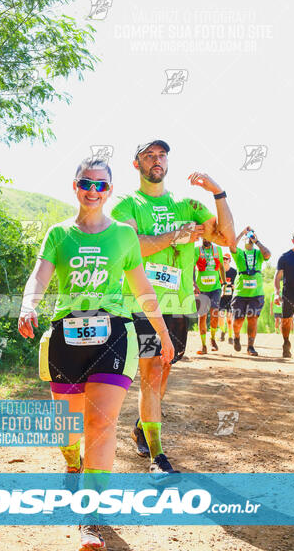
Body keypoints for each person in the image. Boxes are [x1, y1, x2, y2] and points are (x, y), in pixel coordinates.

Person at [18, 157, 174, 551]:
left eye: (101, 185)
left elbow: (142, 288)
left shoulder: (123, 234)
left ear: (109, 190)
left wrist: (163, 333)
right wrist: (28, 304)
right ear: (75, 186)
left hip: (114, 334)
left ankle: (91, 516)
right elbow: (40, 274)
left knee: (100, 426)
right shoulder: (58, 233)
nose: (93, 190)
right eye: (86, 183)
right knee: (68, 431)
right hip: (66, 335)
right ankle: (73, 462)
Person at [111, 139, 235, 472]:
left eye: (161, 155)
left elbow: (227, 238)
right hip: (141, 303)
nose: (156, 160)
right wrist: (176, 236)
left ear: (168, 162)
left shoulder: (187, 204)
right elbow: (132, 246)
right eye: (148, 155)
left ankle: (141, 425)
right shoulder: (127, 204)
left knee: (164, 370)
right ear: (136, 164)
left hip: (179, 304)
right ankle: (157, 455)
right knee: (151, 372)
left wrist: (218, 192)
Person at [229, 226, 271, 356]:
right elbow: (231, 247)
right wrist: (242, 233)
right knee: (238, 320)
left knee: (252, 318)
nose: (249, 239)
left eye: (251, 237)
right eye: (248, 237)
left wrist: (257, 241)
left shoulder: (258, 253)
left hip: (256, 293)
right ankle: (236, 337)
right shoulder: (240, 253)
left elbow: (268, 254)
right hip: (240, 293)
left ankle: (250, 347)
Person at [193, 239, 226, 354]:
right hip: (201, 289)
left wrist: (224, 283)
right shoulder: (196, 250)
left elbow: (221, 267)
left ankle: (212, 339)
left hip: (215, 288)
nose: (206, 239)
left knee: (214, 314)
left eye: (208, 237)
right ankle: (203, 345)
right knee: (202, 316)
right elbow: (192, 267)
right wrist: (194, 283)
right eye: (204, 237)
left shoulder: (218, 250)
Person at [274, 231, 294, 358]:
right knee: (286, 321)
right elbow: (277, 277)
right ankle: (286, 342)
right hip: (289, 294)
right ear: (293, 241)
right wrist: (277, 293)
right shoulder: (285, 257)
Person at [218, 253, 237, 343]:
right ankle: (223, 331)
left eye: (226, 259)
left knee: (229, 319)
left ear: (230, 260)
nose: (225, 261)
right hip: (221, 298)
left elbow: (238, 284)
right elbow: (217, 283)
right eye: (223, 259)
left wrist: (234, 286)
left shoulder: (234, 272)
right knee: (220, 317)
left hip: (231, 298)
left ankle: (230, 337)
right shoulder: (219, 271)